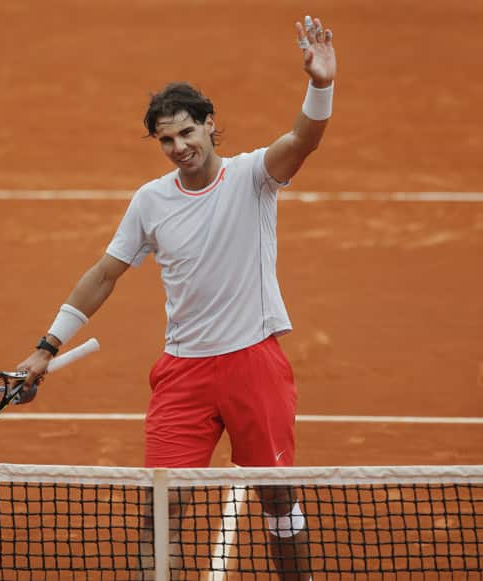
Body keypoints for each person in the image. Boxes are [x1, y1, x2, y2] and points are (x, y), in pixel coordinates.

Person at [17, 14, 336, 581]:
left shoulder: (252, 177)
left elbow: (303, 139)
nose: (177, 146)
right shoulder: (150, 201)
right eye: (165, 138)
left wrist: (320, 84)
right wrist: (47, 345)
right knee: (160, 513)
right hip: (183, 374)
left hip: (252, 363)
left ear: (211, 126)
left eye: (187, 132)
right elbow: (104, 274)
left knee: (279, 504)